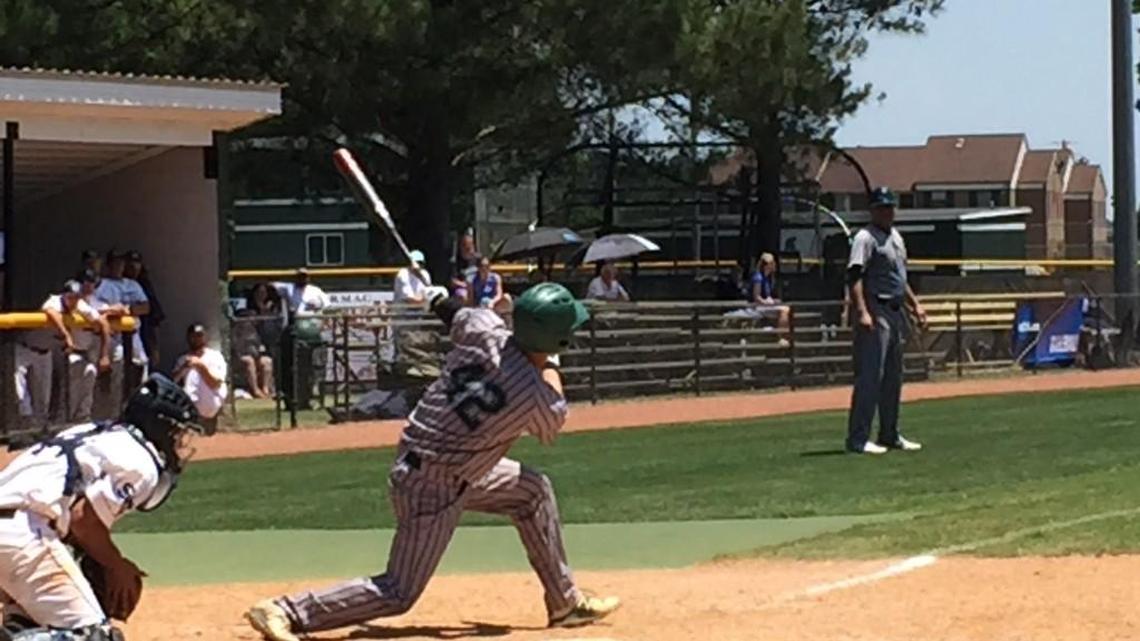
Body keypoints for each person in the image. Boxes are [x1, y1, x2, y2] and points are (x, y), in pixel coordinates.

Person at [245, 283, 620, 641]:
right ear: (555, 339)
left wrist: (437, 297)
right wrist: (550, 361)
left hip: (441, 464)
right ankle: (287, 610)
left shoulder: (485, 329)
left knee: (532, 491)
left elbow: (455, 313)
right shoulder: (533, 394)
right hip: (433, 485)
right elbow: (552, 421)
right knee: (398, 592)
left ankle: (564, 602)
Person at [0, 374, 202, 641]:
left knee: (29, 622)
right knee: (97, 637)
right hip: (23, 535)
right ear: (161, 425)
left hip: (17, 530)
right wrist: (117, 567)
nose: (178, 443)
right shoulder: (141, 461)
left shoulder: (91, 432)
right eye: (177, 433)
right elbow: (82, 520)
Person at [846, 187, 927, 455]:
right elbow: (855, 276)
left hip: (895, 310)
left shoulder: (896, 237)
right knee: (871, 375)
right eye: (881, 207)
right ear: (872, 210)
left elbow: (900, 280)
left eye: (890, 207)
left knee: (893, 377)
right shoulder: (864, 238)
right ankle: (858, 438)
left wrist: (915, 305)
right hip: (875, 308)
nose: (887, 212)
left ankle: (889, 434)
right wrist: (861, 311)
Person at [16, 281, 111, 427]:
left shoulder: (80, 305)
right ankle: (20, 428)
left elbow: (103, 323)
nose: (73, 301)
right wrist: (66, 335)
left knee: (43, 400)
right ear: (64, 295)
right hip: (25, 349)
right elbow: (50, 312)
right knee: (20, 394)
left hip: (45, 353)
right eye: (70, 297)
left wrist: (104, 355)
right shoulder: (54, 301)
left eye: (76, 298)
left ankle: (37, 432)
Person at [92, 251, 151, 420]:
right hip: (111, 336)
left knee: (141, 365)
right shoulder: (102, 284)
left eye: (121, 263)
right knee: (111, 375)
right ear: (108, 265)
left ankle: (136, 411)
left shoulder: (132, 284)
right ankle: (107, 415)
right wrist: (114, 311)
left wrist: (128, 310)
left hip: (132, 334)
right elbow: (95, 309)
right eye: (115, 263)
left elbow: (146, 307)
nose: (119, 266)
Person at [67, 271, 114, 422]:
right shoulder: (76, 301)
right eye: (85, 282)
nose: (88, 285)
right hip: (66, 351)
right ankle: (64, 420)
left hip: (85, 351)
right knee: (68, 388)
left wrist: (107, 311)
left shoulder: (94, 302)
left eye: (92, 282)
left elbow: (116, 312)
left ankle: (82, 418)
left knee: (90, 374)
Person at [278, 269, 329, 411]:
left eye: (305, 276)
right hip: (296, 332)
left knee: (313, 369)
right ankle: (296, 400)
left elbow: (327, 305)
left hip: (313, 332)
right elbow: (272, 285)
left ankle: (311, 399)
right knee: (295, 369)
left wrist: (317, 306)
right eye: (299, 276)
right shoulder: (289, 289)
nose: (302, 279)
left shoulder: (315, 291)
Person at [172, 324, 228, 434]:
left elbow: (215, 383)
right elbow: (173, 382)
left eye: (199, 335)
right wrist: (184, 367)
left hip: (211, 401)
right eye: (193, 336)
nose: (196, 339)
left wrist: (200, 366)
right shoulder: (183, 359)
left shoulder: (215, 356)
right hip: (190, 405)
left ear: (205, 337)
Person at [233, 283, 279, 399]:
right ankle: (255, 390)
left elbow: (262, 343)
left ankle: (266, 389)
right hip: (239, 355)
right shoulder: (237, 328)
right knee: (249, 361)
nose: (252, 320)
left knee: (266, 361)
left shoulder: (257, 329)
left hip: (255, 353)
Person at [123, 251, 165, 366]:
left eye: (137, 264)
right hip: (121, 338)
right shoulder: (117, 284)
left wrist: (155, 348)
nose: (134, 268)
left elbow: (155, 318)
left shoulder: (145, 285)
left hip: (144, 337)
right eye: (130, 265)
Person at [751, 253, 791, 347]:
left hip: (765, 305)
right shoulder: (758, 277)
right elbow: (757, 297)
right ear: (767, 265)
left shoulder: (768, 278)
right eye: (772, 263)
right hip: (757, 306)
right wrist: (768, 304)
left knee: (787, 308)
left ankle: (786, 335)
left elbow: (766, 296)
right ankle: (781, 337)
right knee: (784, 310)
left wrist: (774, 301)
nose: (774, 265)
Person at [452, 230, 479, 300]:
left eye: (470, 246)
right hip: (463, 289)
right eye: (465, 245)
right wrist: (466, 285)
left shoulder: (479, 260)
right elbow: (453, 281)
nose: (468, 248)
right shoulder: (455, 262)